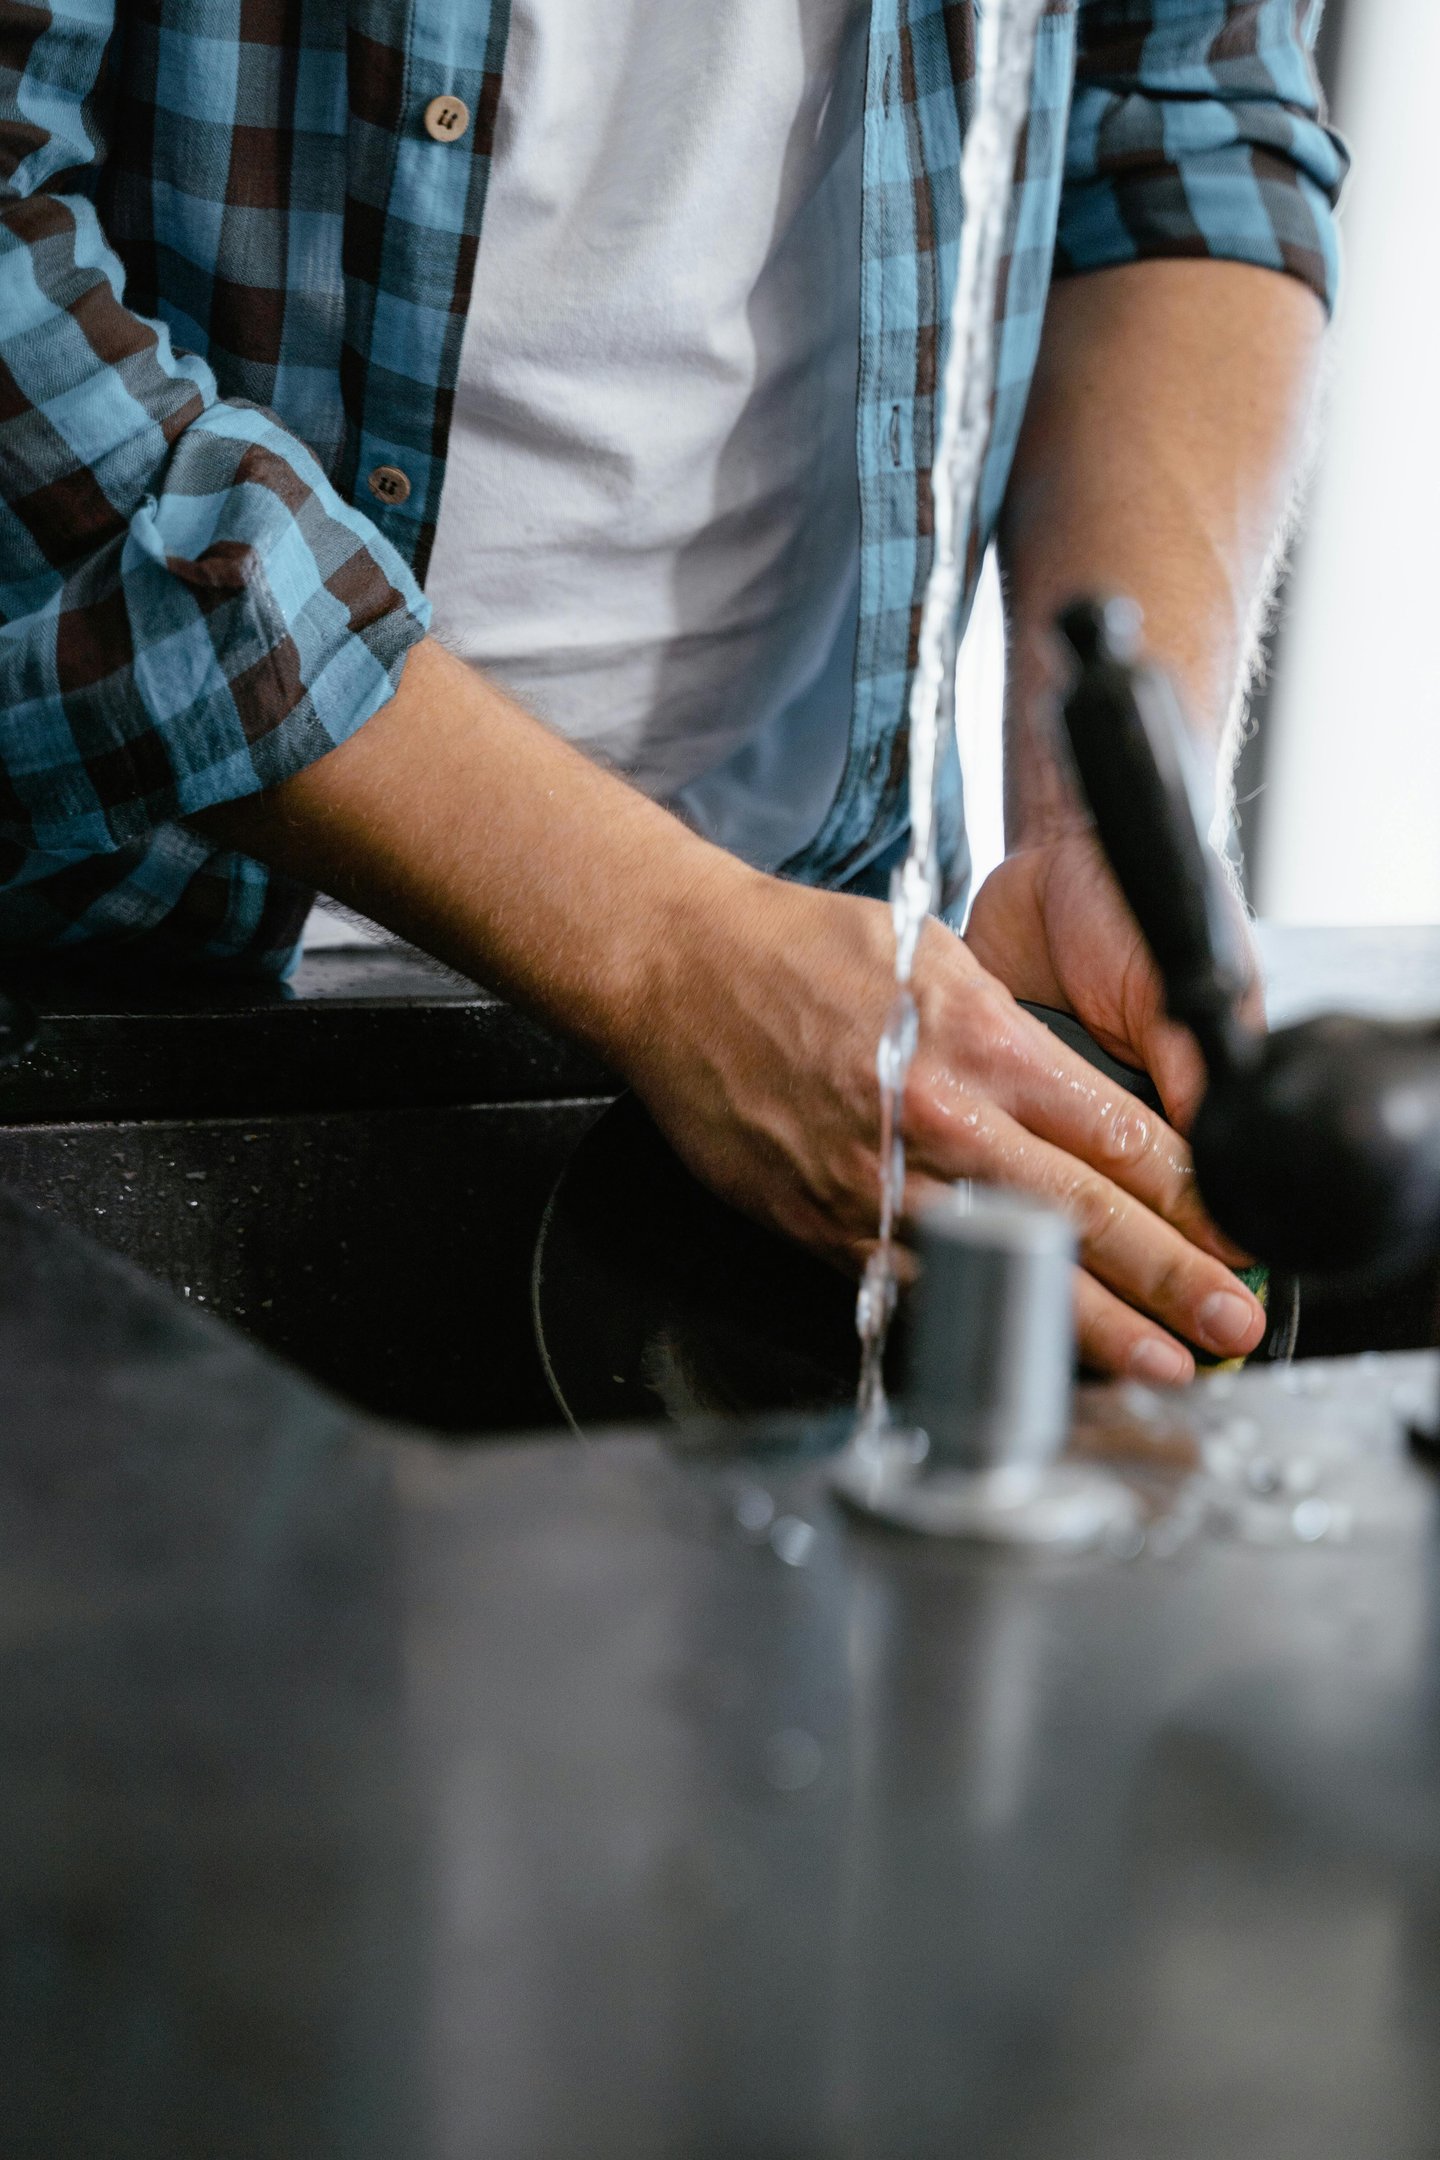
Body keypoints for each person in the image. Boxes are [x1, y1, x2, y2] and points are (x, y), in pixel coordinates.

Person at [0, 0, 1346, 1381]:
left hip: (833, 1013)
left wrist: (1103, 823)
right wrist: (666, 948)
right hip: (100, 988)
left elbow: (1179, 126)